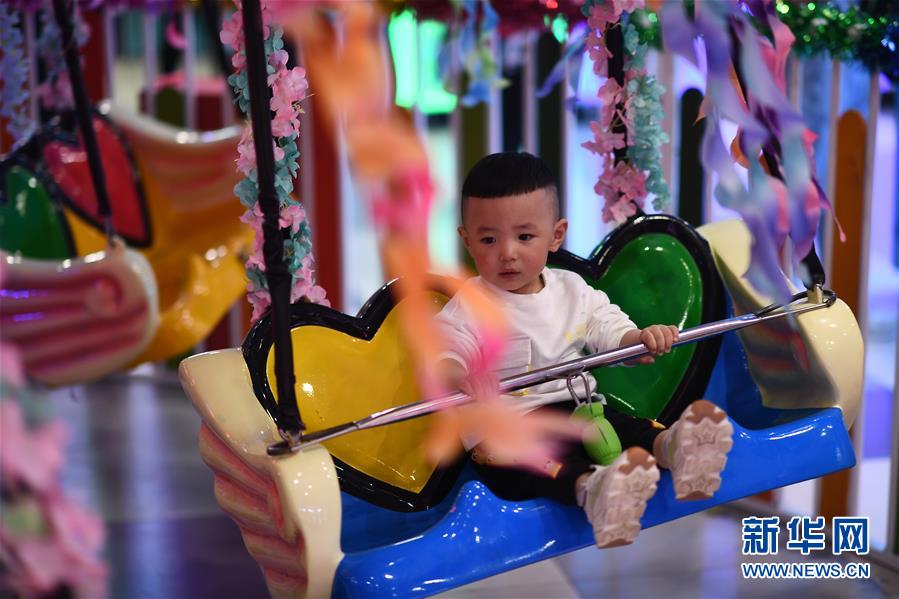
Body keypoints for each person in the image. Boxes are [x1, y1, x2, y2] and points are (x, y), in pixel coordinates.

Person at [435, 152, 734, 548]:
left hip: (581, 411)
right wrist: (462, 377)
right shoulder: (470, 305)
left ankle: (675, 449)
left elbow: (606, 324)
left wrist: (636, 340)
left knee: (626, 426)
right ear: (467, 240)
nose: (507, 252)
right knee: (538, 458)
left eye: (524, 237)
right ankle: (592, 491)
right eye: (489, 239)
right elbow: (445, 353)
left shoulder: (572, 289)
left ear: (556, 235)